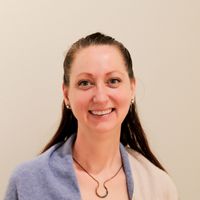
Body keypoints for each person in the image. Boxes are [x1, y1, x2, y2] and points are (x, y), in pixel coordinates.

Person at [4, 32, 178, 200]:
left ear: (132, 88)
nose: (101, 97)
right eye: (85, 83)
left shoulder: (158, 186)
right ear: (66, 94)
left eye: (113, 81)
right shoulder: (27, 181)